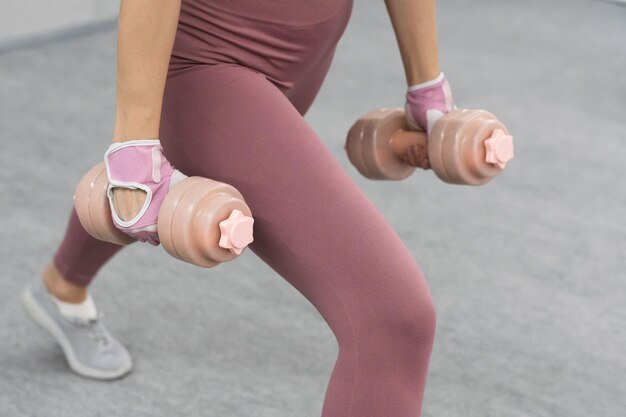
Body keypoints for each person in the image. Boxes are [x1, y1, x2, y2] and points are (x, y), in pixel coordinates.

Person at [22, 0, 455, 415]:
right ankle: (72, 272)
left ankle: (62, 284)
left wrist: (426, 84)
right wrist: (135, 147)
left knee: (160, 187)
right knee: (393, 317)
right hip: (210, 58)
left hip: (307, 50)